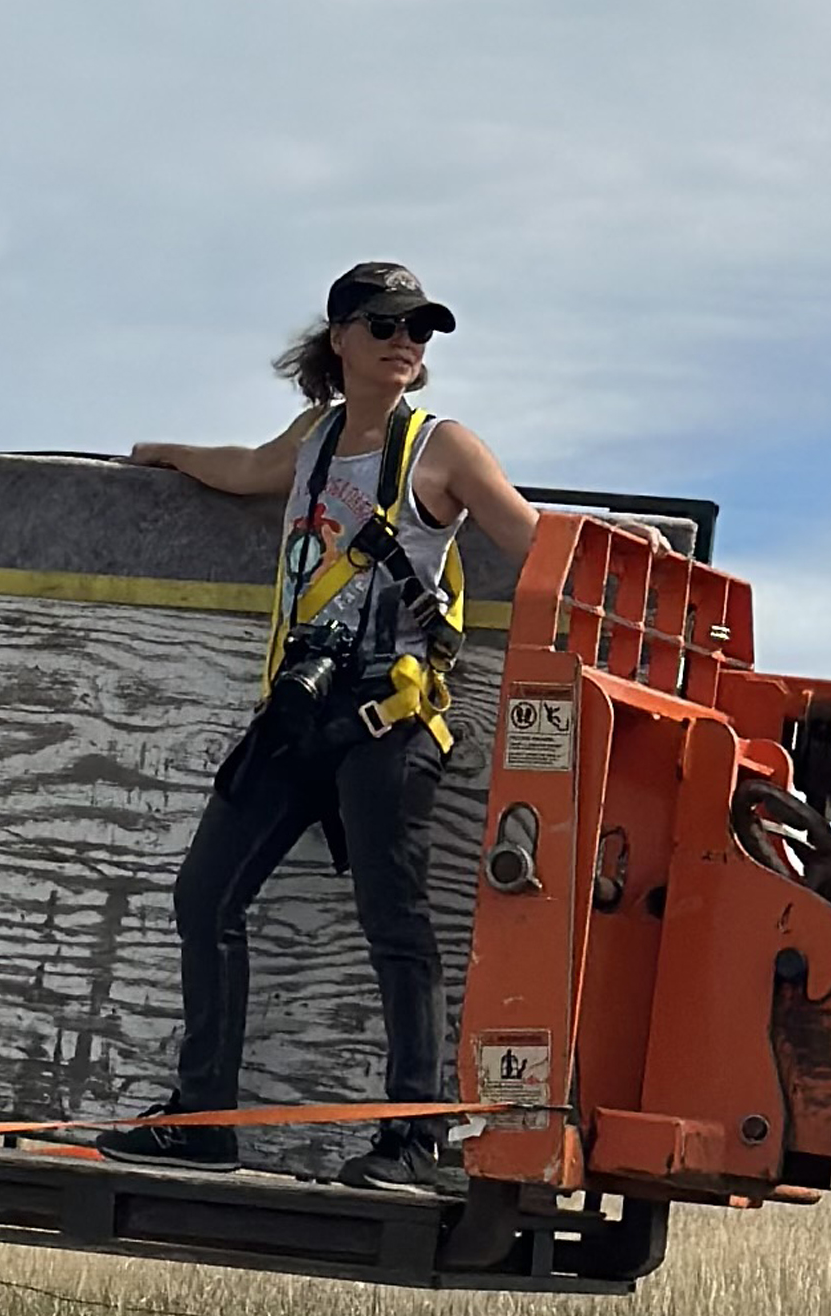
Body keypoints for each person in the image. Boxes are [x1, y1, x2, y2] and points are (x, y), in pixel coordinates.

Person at [102, 262, 539, 1193]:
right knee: (204, 896)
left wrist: (630, 552)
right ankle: (203, 1121)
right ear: (339, 338)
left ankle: (411, 1139)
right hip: (299, 709)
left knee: (397, 924)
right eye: (383, 324)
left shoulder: (445, 448)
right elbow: (250, 471)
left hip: (390, 716)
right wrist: (166, 455)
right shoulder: (315, 435)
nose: (405, 341)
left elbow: (533, 543)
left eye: (419, 328)